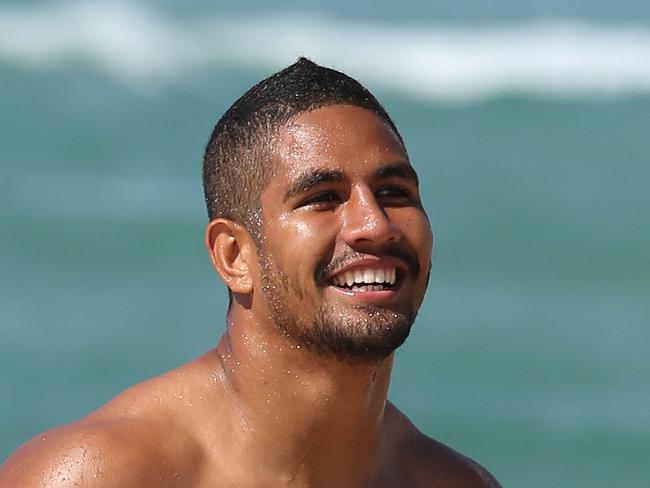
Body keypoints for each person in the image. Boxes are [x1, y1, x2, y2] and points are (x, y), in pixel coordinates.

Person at [0, 58, 501, 487]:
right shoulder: (96, 476)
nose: (374, 224)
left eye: (394, 192)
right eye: (322, 199)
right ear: (234, 256)